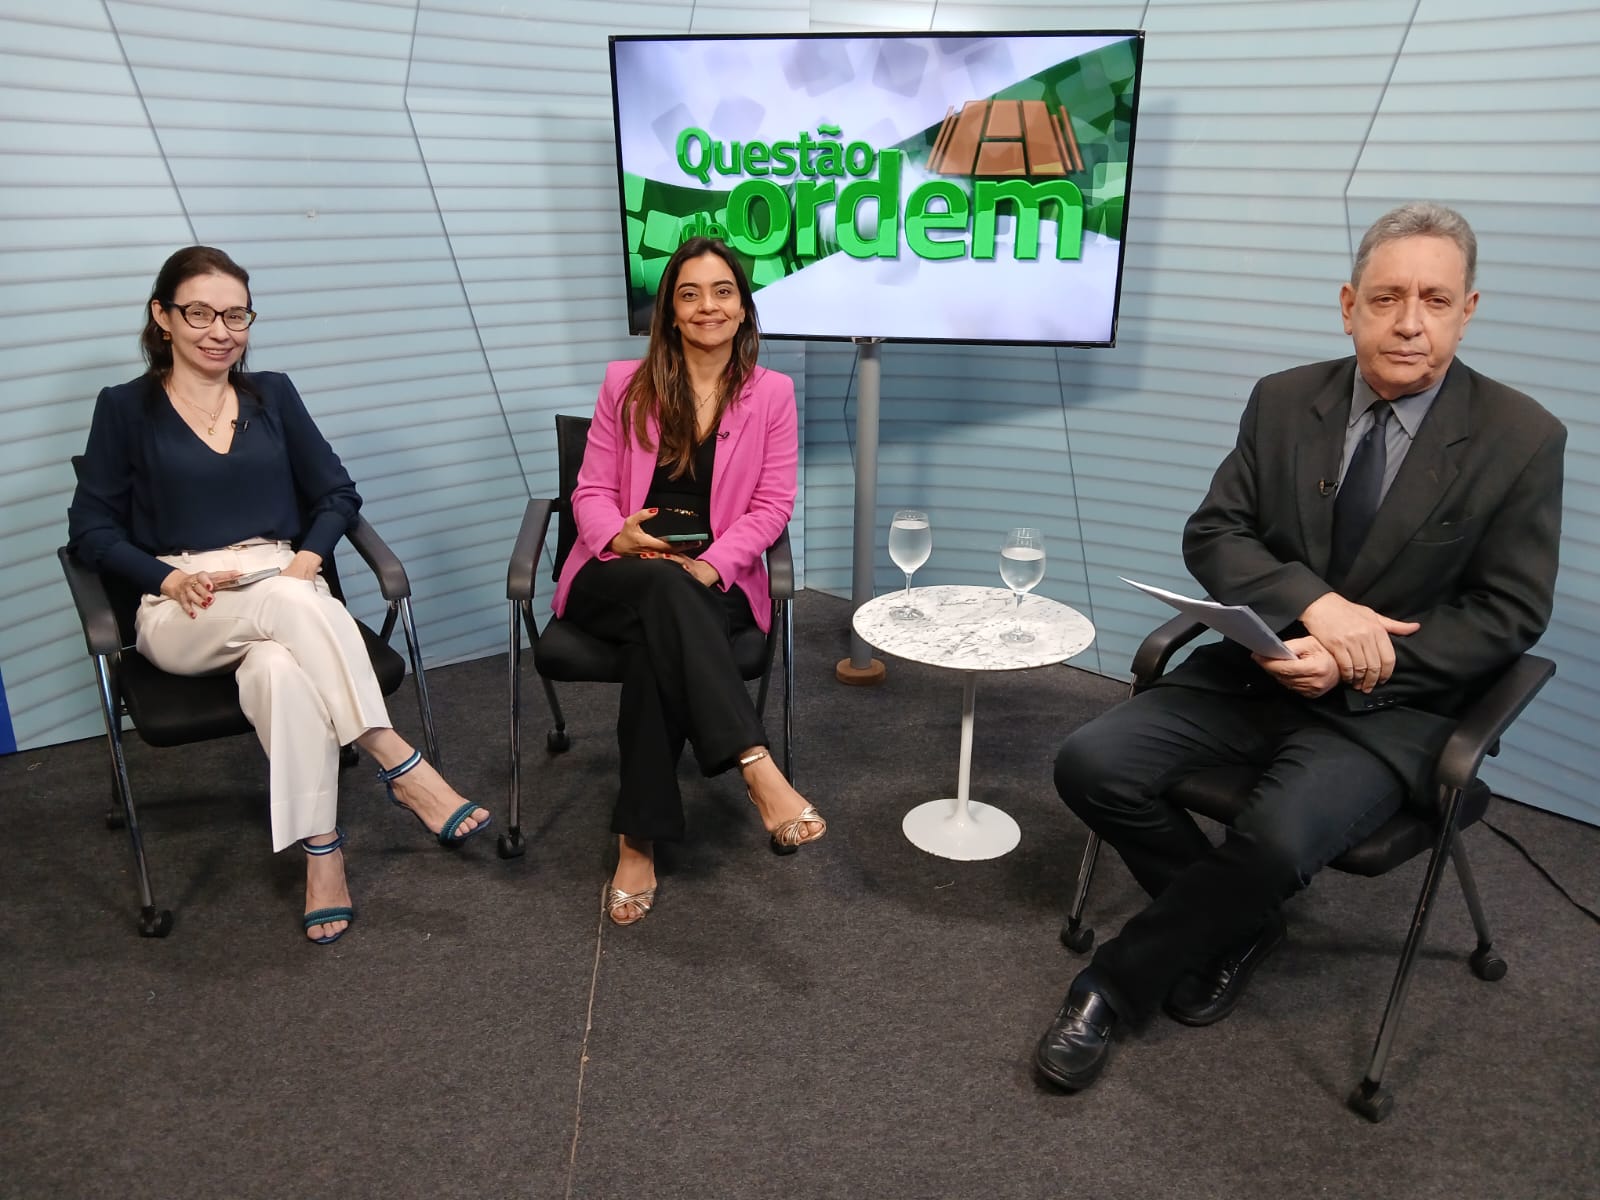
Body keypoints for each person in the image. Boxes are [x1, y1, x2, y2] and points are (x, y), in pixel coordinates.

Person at [1034, 203, 1565, 1091]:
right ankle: (1239, 923)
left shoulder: (1521, 437)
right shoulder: (1284, 400)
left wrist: (1362, 655)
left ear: (1467, 312)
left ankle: (1110, 988)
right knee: (1088, 763)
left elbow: (1508, 612)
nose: (1409, 322)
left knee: (1275, 839)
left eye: (1435, 300)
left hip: (1390, 710)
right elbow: (1216, 533)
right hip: (1254, 669)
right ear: (1349, 304)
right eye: (1387, 298)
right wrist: (1315, 607)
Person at [67, 245, 490, 946]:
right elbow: (89, 531)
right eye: (199, 313)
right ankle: (396, 758)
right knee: (296, 608)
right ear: (162, 316)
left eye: (236, 315)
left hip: (282, 581)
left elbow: (337, 493)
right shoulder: (125, 409)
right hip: (184, 604)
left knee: (278, 670)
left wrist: (306, 559)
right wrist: (166, 579)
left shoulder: (274, 395)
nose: (220, 331)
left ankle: (322, 855)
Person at [552, 236, 825, 927]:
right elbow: (590, 490)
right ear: (670, 312)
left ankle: (637, 840)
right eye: (690, 293)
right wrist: (617, 536)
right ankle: (755, 763)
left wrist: (710, 565)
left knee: (660, 641)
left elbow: (771, 506)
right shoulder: (625, 383)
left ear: (743, 307)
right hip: (618, 572)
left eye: (723, 291)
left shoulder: (773, 394)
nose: (708, 306)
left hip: (712, 578)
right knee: (663, 595)